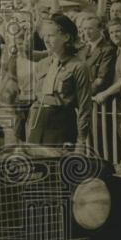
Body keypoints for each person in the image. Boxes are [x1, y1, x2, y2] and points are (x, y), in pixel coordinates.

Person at [25, 13, 92, 146]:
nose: (46, 40)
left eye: (51, 35)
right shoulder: (42, 64)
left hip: (61, 125)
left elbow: (85, 107)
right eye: (45, 36)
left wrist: (81, 140)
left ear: (66, 37)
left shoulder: (78, 66)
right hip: (37, 122)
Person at [93, 18, 121, 105]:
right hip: (118, 100)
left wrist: (105, 93)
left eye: (118, 31)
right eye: (111, 33)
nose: (114, 35)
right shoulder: (117, 50)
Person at [78, 14, 117, 95]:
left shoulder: (108, 49)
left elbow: (102, 80)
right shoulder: (82, 50)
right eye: (84, 29)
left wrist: (83, 95)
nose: (87, 32)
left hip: (96, 98)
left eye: (90, 29)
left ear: (99, 29)